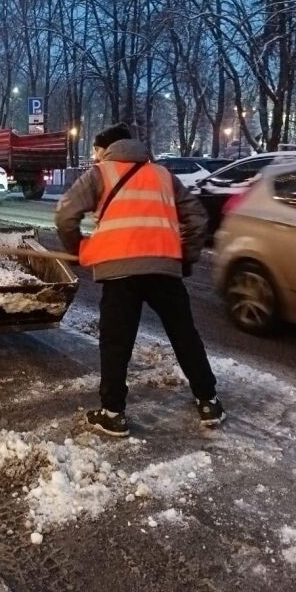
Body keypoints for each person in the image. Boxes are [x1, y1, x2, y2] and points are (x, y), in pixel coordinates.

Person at [55, 122, 225, 437]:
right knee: (184, 335)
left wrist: (77, 248)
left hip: (120, 275)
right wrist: (185, 256)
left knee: (116, 342)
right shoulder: (163, 175)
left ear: (106, 149)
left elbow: (65, 214)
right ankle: (209, 401)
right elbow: (198, 218)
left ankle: (113, 413)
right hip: (164, 271)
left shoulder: (100, 174)